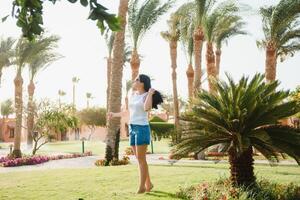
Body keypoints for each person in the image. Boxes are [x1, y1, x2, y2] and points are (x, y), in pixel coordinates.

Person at [108, 74, 163, 194]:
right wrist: (114, 114)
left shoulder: (146, 95)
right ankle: (149, 184)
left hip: (142, 128)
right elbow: (128, 111)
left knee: (142, 159)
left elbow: (147, 108)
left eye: (137, 79)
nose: (134, 81)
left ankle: (142, 187)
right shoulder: (133, 95)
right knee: (139, 159)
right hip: (132, 128)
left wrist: (149, 94)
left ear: (142, 83)